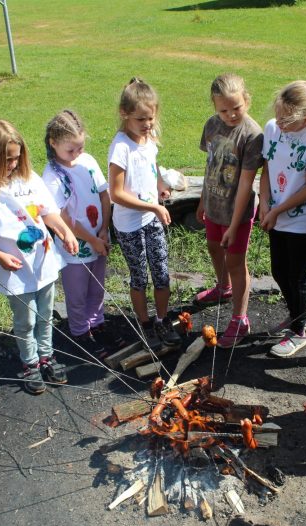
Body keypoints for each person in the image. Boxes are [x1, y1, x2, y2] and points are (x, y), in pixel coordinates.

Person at [0, 119, 78, 395]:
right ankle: (31, 363)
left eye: (16, 158)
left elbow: (47, 211)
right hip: (15, 268)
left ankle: (47, 356)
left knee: (46, 313)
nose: (13, 165)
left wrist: (64, 232)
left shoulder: (28, 178)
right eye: (6, 160)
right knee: (25, 320)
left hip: (44, 261)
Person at [108, 78, 182, 351]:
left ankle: (162, 320)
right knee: (140, 277)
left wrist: (160, 187)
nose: (147, 124)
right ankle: (145, 323)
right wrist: (152, 206)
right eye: (141, 119)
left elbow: (151, 170)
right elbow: (116, 193)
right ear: (124, 114)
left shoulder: (148, 140)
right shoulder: (121, 147)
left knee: (162, 274)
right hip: (129, 225)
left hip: (152, 220)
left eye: (151, 118)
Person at [259, 80, 306, 358]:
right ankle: (297, 315)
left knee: (297, 276)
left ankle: (299, 331)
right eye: (277, 116)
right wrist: (264, 203)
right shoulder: (271, 128)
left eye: (285, 119)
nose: (278, 123)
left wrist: (278, 210)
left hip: (301, 221)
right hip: (275, 214)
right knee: (279, 271)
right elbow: (266, 169)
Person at [42, 109, 121, 359]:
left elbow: (103, 195)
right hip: (75, 247)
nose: (76, 155)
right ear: (53, 143)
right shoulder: (52, 176)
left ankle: (96, 323)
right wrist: (93, 239)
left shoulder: (87, 162)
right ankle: (79, 332)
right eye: (70, 150)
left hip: (99, 236)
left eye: (80, 148)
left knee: (97, 288)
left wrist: (104, 228)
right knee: (77, 293)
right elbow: (64, 218)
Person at [193, 73, 264, 348]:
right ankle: (224, 288)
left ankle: (240, 318)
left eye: (236, 107)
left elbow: (246, 182)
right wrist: (202, 201)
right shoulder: (212, 125)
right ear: (214, 107)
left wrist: (235, 225)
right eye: (224, 110)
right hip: (213, 203)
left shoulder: (252, 134)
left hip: (237, 212)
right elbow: (210, 166)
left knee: (236, 261)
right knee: (213, 247)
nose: (231, 114)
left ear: (246, 101)